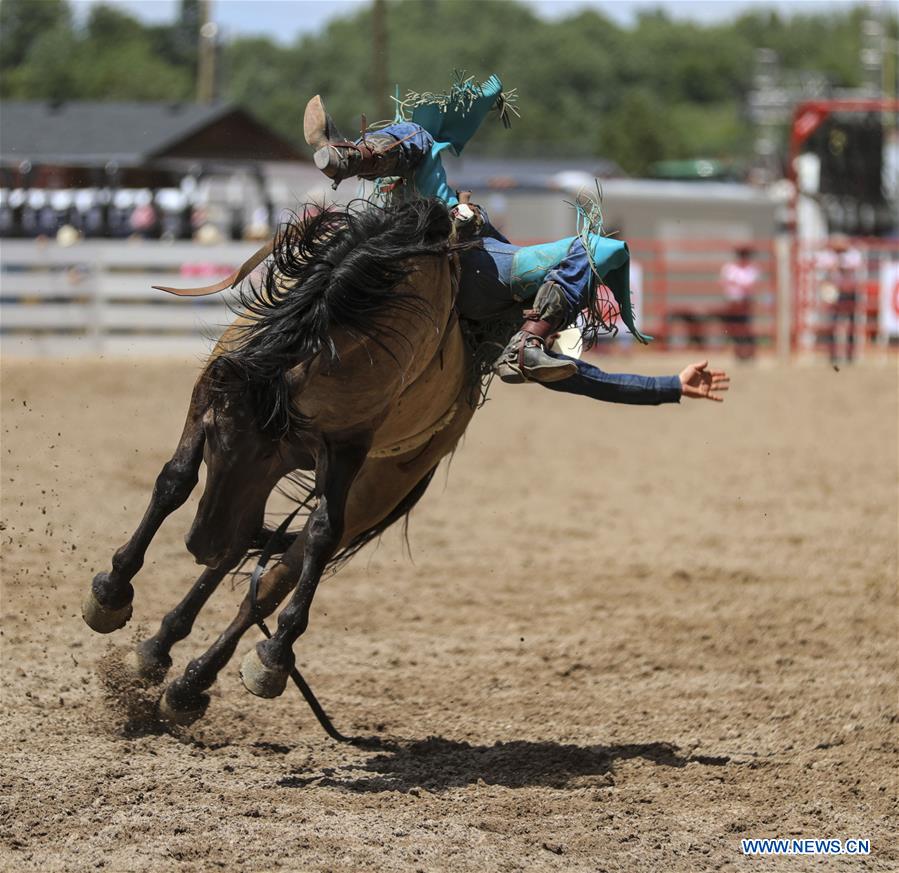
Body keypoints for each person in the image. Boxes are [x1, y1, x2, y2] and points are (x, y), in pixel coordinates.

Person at [304, 76, 730, 407]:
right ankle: (530, 344)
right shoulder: (510, 292)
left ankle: (351, 157)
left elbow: (580, 377)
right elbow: (584, 380)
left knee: (418, 135)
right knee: (599, 249)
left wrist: (669, 385)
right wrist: (668, 387)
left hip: (440, 249)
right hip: (460, 253)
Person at [817, 235, 863, 365]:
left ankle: (850, 355)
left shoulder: (853, 254)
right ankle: (833, 354)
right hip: (835, 292)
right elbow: (820, 262)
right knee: (833, 324)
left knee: (851, 324)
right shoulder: (829, 254)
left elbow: (852, 265)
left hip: (849, 292)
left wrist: (837, 265)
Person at [719, 246, 759, 360]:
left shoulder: (751, 269)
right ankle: (739, 353)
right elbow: (725, 283)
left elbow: (749, 287)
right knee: (734, 328)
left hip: (745, 303)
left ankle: (748, 353)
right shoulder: (730, 268)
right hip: (733, 302)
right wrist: (739, 285)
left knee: (745, 328)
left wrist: (735, 284)